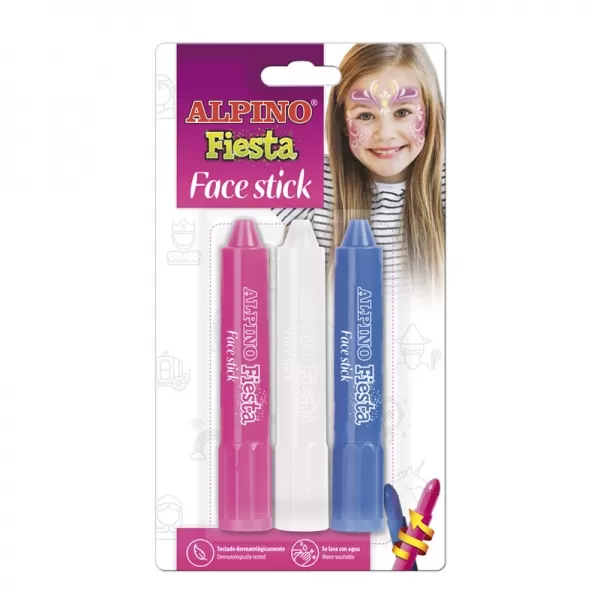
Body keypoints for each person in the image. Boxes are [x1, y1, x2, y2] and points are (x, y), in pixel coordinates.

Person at [273, 43, 445, 293]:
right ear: (343, 122)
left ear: (431, 113)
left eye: (403, 112)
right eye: (365, 116)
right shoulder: (309, 181)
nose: (385, 134)